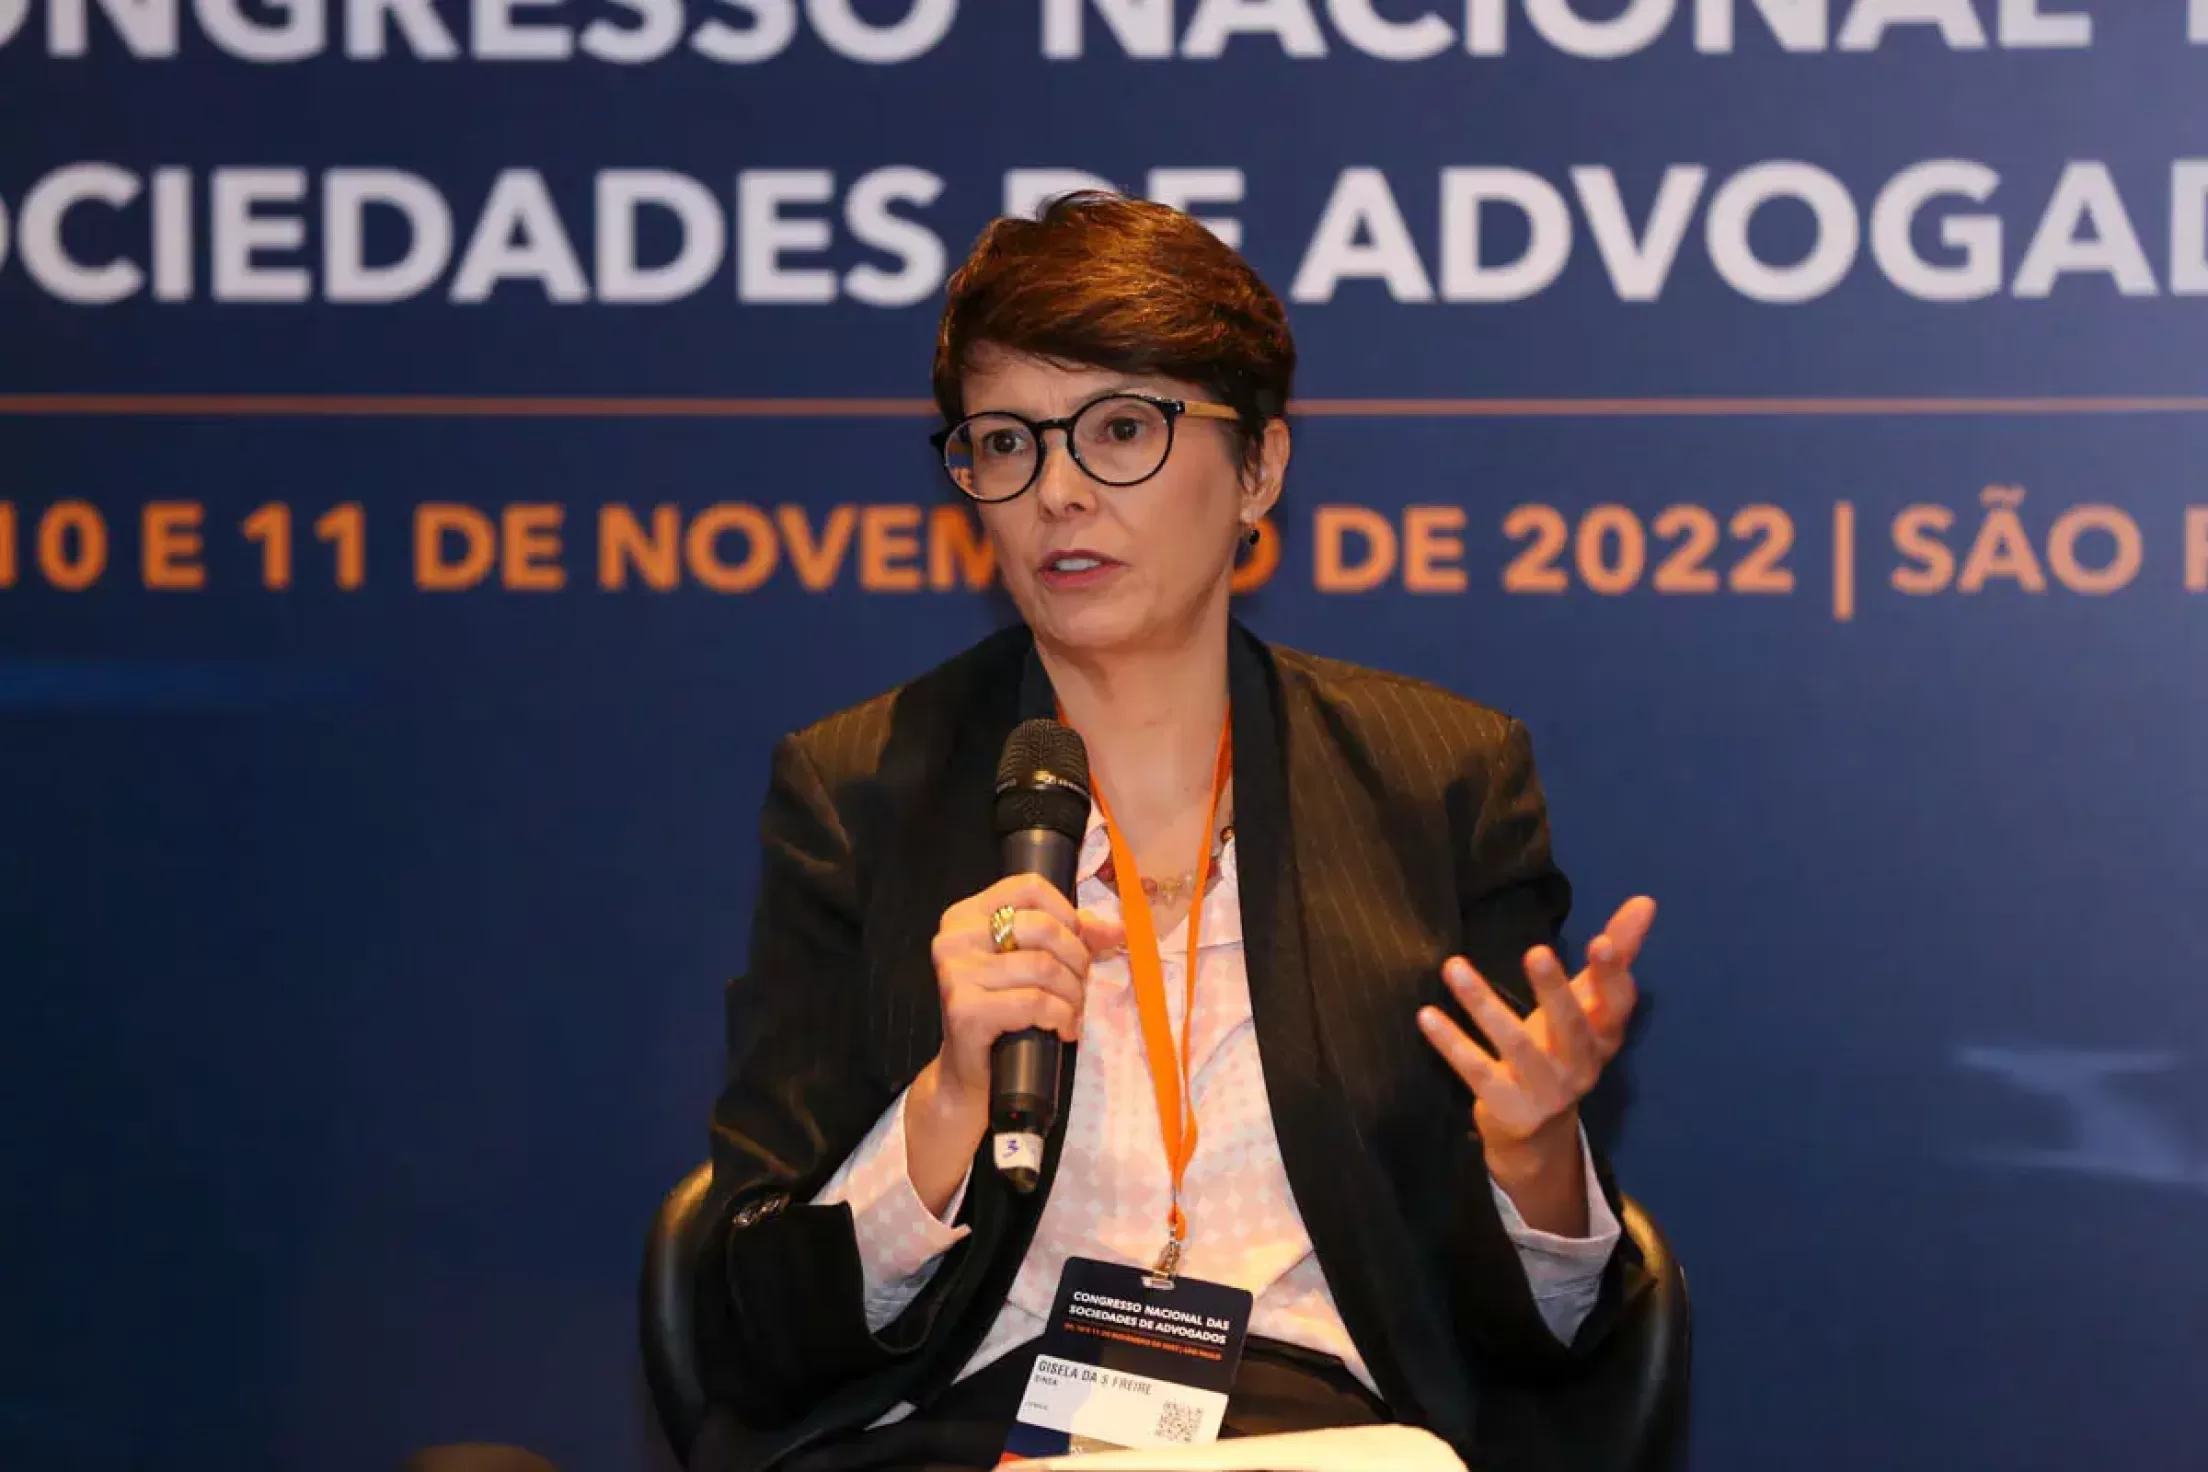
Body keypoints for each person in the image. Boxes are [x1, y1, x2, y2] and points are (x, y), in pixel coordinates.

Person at [689, 191, 1660, 1472]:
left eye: (1121, 430)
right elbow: (747, 1331)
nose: (1058, 493)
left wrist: (1530, 1158)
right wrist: (944, 1104)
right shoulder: (861, 787)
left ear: (1258, 467)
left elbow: (1543, 1346)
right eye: (1006, 442)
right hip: (974, 1438)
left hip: (1316, 1438)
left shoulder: (1437, 780)